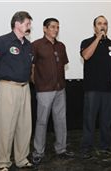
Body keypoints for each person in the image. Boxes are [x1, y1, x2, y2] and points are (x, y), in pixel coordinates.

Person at [0, 11, 34, 171]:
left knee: (25, 126)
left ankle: (21, 159)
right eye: (27, 23)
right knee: (6, 127)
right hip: (7, 87)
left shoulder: (28, 45)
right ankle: (3, 163)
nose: (29, 27)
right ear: (17, 24)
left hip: (25, 88)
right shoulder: (2, 41)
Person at [31, 18, 74, 165]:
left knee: (61, 120)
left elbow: (63, 65)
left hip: (60, 88)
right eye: (53, 27)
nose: (56, 30)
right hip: (44, 89)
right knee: (42, 121)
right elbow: (31, 66)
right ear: (45, 29)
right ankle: (38, 152)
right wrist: (37, 82)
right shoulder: (36, 45)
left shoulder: (61, 46)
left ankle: (61, 149)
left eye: (57, 27)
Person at [80, 15, 111, 159]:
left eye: (105, 24)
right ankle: (86, 147)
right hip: (92, 88)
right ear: (94, 27)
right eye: (99, 23)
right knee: (89, 120)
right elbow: (86, 56)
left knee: (107, 120)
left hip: (109, 89)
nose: (102, 26)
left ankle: (106, 146)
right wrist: (98, 38)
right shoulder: (87, 42)